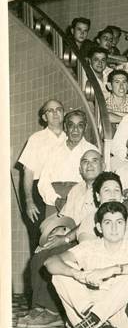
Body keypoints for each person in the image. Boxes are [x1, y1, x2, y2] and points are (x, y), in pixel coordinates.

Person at [45, 201, 128, 328]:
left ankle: (89, 324)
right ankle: (101, 325)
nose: (114, 228)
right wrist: (77, 274)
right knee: (60, 274)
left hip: (121, 324)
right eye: (108, 223)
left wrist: (111, 270)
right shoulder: (89, 247)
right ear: (99, 227)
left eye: (119, 222)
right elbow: (51, 262)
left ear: (125, 226)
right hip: (85, 319)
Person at [16, 150, 104, 328]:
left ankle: (52, 311)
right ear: (80, 168)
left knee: (54, 255)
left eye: (94, 161)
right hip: (71, 237)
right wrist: (57, 235)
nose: (89, 165)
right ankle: (38, 308)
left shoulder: (106, 186)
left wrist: (64, 239)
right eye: (85, 162)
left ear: (102, 165)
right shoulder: (77, 190)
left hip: (93, 239)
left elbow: (93, 220)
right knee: (39, 254)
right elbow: (66, 218)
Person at [18, 99, 67, 246]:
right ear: (44, 117)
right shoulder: (36, 139)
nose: (55, 113)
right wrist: (29, 201)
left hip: (64, 191)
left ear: (63, 113)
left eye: (58, 109)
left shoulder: (70, 137)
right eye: (50, 111)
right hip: (38, 194)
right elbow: (28, 172)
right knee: (41, 239)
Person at [37, 109, 98, 214]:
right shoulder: (54, 150)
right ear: (65, 127)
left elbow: (98, 181)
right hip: (54, 201)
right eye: (71, 125)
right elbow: (43, 181)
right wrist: (56, 200)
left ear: (85, 128)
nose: (75, 130)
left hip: (82, 200)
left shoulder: (92, 151)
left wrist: (81, 200)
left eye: (80, 125)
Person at [75, 172, 128, 250]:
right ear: (98, 196)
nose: (112, 194)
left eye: (116, 190)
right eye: (107, 190)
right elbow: (88, 253)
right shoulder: (89, 220)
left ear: (121, 196)